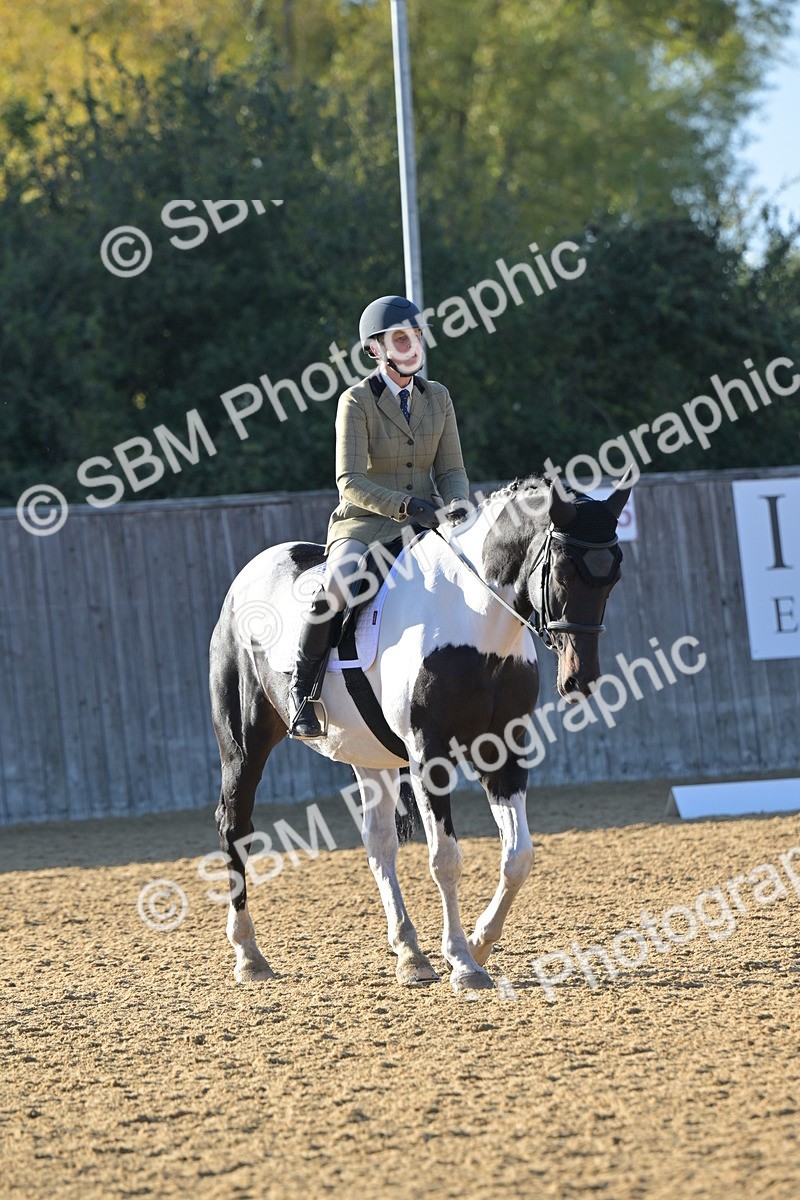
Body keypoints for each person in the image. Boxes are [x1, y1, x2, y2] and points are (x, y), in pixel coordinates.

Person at [288, 294, 470, 738]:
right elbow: (348, 481)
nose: (413, 346)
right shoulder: (355, 401)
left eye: (417, 336)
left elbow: (451, 471)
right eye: (401, 339)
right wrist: (404, 506)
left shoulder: (438, 397)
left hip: (427, 521)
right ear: (376, 348)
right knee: (338, 584)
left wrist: (458, 508)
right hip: (365, 522)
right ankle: (302, 689)